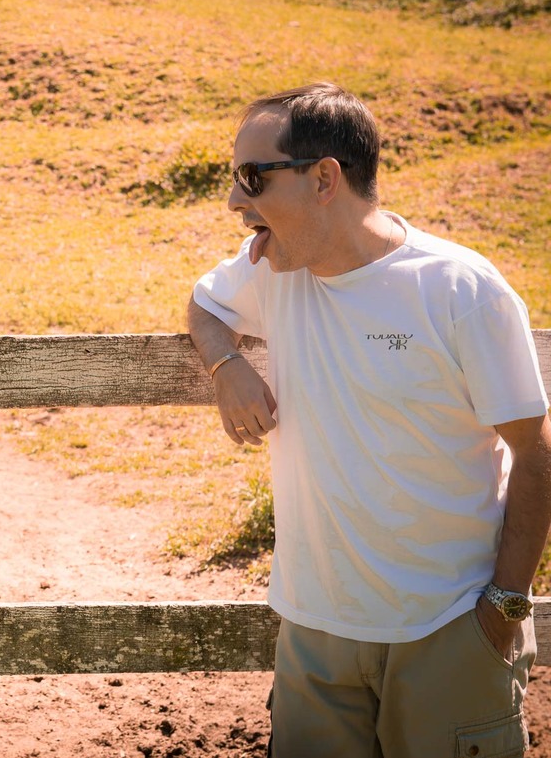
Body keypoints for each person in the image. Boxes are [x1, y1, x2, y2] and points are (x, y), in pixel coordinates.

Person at [188, 82, 551, 757]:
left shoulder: (459, 290)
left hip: (450, 631)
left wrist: (504, 604)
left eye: (253, 178)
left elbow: (537, 451)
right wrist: (224, 365)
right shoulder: (271, 265)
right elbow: (203, 305)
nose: (235, 201)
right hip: (315, 637)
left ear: (324, 178)